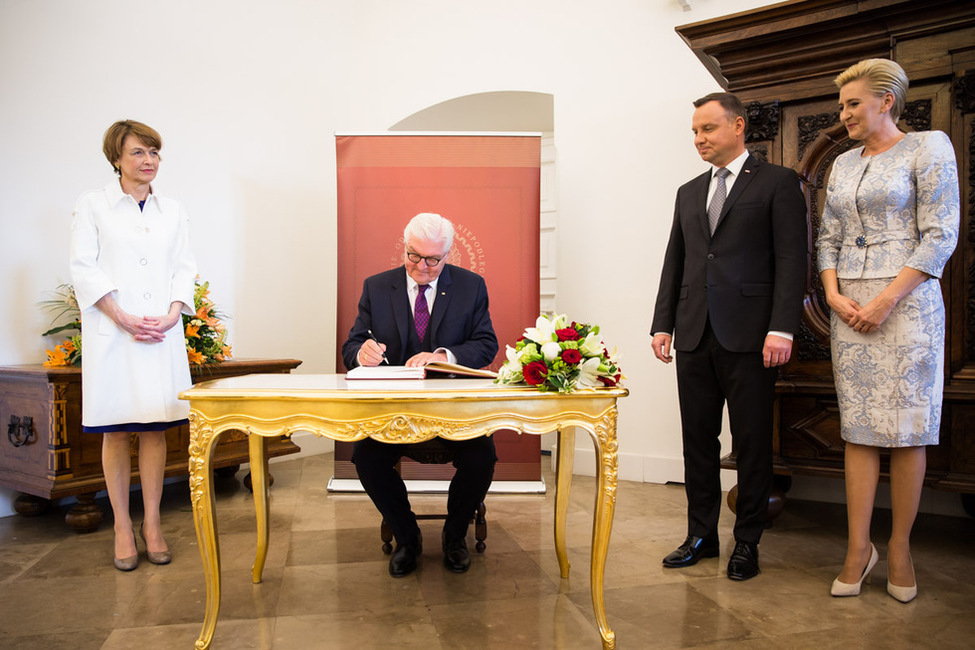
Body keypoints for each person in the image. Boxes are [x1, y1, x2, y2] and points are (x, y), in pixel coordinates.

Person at [650, 92, 808, 581]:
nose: (699, 139)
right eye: (694, 132)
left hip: (753, 336)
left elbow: (791, 260)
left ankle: (747, 542)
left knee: (752, 444)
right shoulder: (688, 191)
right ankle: (701, 536)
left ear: (738, 126)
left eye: (708, 129)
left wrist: (782, 326)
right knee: (697, 441)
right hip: (694, 332)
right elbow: (676, 260)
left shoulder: (779, 184)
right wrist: (662, 323)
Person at [818, 59, 959, 602]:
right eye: (842, 105)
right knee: (858, 428)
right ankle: (859, 548)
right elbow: (827, 236)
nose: (844, 113)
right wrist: (832, 295)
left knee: (906, 429)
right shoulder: (843, 163)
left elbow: (940, 234)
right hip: (847, 306)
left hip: (908, 305)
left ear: (886, 101)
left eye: (853, 103)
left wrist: (884, 300)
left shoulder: (929, 146)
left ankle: (899, 547)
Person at [70, 120, 197, 571]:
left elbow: (185, 267)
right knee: (116, 429)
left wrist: (172, 311)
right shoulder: (93, 205)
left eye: (154, 153)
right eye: (139, 153)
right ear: (117, 158)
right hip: (114, 333)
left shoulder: (173, 209)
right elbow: (83, 267)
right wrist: (121, 316)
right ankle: (123, 526)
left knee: (155, 428)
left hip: (160, 332)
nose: (149, 161)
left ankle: (153, 524)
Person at [342, 212, 499, 577]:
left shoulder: (471, 286)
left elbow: (485, 343)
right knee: (366, 457)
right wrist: (361, 353)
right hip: (394, 409)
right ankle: (407, 537)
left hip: (453, 410)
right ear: (405, 247)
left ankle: (454, 535)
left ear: (448, 254)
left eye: (433, 260)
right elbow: (352, 343)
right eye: (414, 256)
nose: (422, 267)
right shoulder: (377, 287)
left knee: (482, 458)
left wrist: (443, 356)